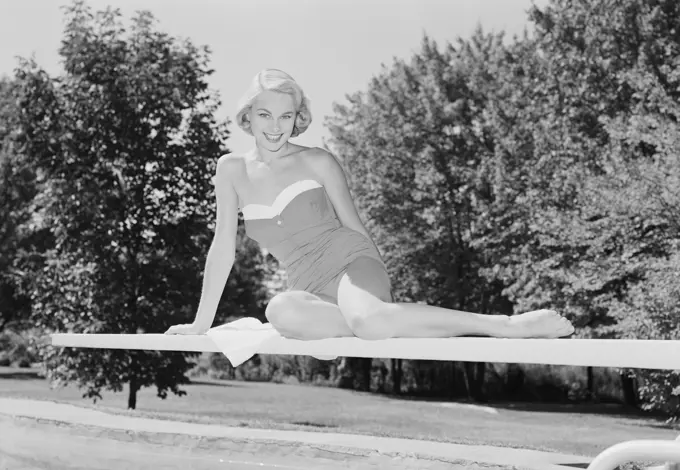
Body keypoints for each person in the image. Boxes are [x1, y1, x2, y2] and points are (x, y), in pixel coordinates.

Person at [165, 69, 575, 341]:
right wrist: (201, 325)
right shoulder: (230, 169)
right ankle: (379, 322)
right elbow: (222, 249)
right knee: (279, 312)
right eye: (265, 115)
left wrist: (374, 287)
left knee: (368, 317)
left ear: (296, 119)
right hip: (306, 283)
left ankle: (504, 326)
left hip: (351, 263)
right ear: (248, 117)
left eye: (285, 116)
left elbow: (354, 226)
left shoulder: (317, 160)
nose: (275, 127)